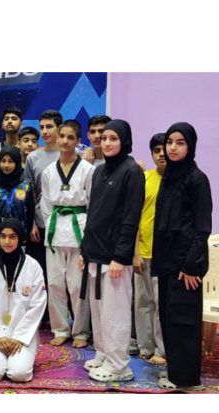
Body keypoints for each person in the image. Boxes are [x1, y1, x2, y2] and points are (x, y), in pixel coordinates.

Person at [79, 119, 144, 382]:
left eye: (113, 138)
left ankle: (119, 367)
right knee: (99, 312)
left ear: (124, 141)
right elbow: (93, 214)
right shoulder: (99, 171)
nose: (106, 143)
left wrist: (121, 256)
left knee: (115, 314)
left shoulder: (132, 171)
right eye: (104, 138)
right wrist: (85, 251)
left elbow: (131, 217)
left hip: (115, 258)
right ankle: (105, 354)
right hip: (95, 252)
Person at [152, 122, 212, 389]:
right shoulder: (169, 176)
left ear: (191, 146)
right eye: (169, 142)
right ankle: (176, 373)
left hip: (186, 264)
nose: (172, 148)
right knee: (169, 320)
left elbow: (202, 228)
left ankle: (187, 379)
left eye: (180, 142)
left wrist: (191, 265)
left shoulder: (197, 179)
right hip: (167, 262)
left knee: (183, 322)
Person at [40, 120, 94, 348]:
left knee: (77, 285)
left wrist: (89, 235)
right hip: (54, 232)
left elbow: (92, 204)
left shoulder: (88, 170)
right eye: (62, 136)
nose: (64, 141)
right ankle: (60, 328)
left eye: (70, 137)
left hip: (78, 229)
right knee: (54, 284)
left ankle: (81, 331)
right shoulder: (48, 171)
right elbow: (44, 203)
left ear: (78, 141)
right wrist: (49, 225)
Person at [0, 219, 47, 382]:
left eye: (12, 237)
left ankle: (21, 353)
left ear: (20, 238)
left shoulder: (33, 266)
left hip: (22, 333)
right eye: (3, 236)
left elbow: (37, 305)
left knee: (19, 374)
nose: (7, 241)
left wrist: (19, 337)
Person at [133, 133, 167, 365]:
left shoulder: (180, 180)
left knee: (162, 305)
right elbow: (133, 217)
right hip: (142, 252)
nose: (162, 154)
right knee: (143, 303)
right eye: (156, 150)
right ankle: (145, 347)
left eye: (164, 149)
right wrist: (134, 252)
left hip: (166, 256)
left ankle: (162, 350)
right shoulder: (144, 179)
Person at [23, 110, 64, 288]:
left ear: (59, 128)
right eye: (42, 127)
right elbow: (29, 192)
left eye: (49, 127)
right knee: (43, 273)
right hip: (40, 223)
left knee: (65, 274)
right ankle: (44, 313)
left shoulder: (74, 153)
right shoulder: (33, 157)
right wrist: (32, 221)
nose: (45, 131)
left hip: (66, 222)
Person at [0, 145, 34, 255]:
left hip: (19, 240)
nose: (6, 165)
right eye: (3, 161)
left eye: (10, 161)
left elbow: (31, 213)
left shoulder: (25, 186)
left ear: (17, 163)